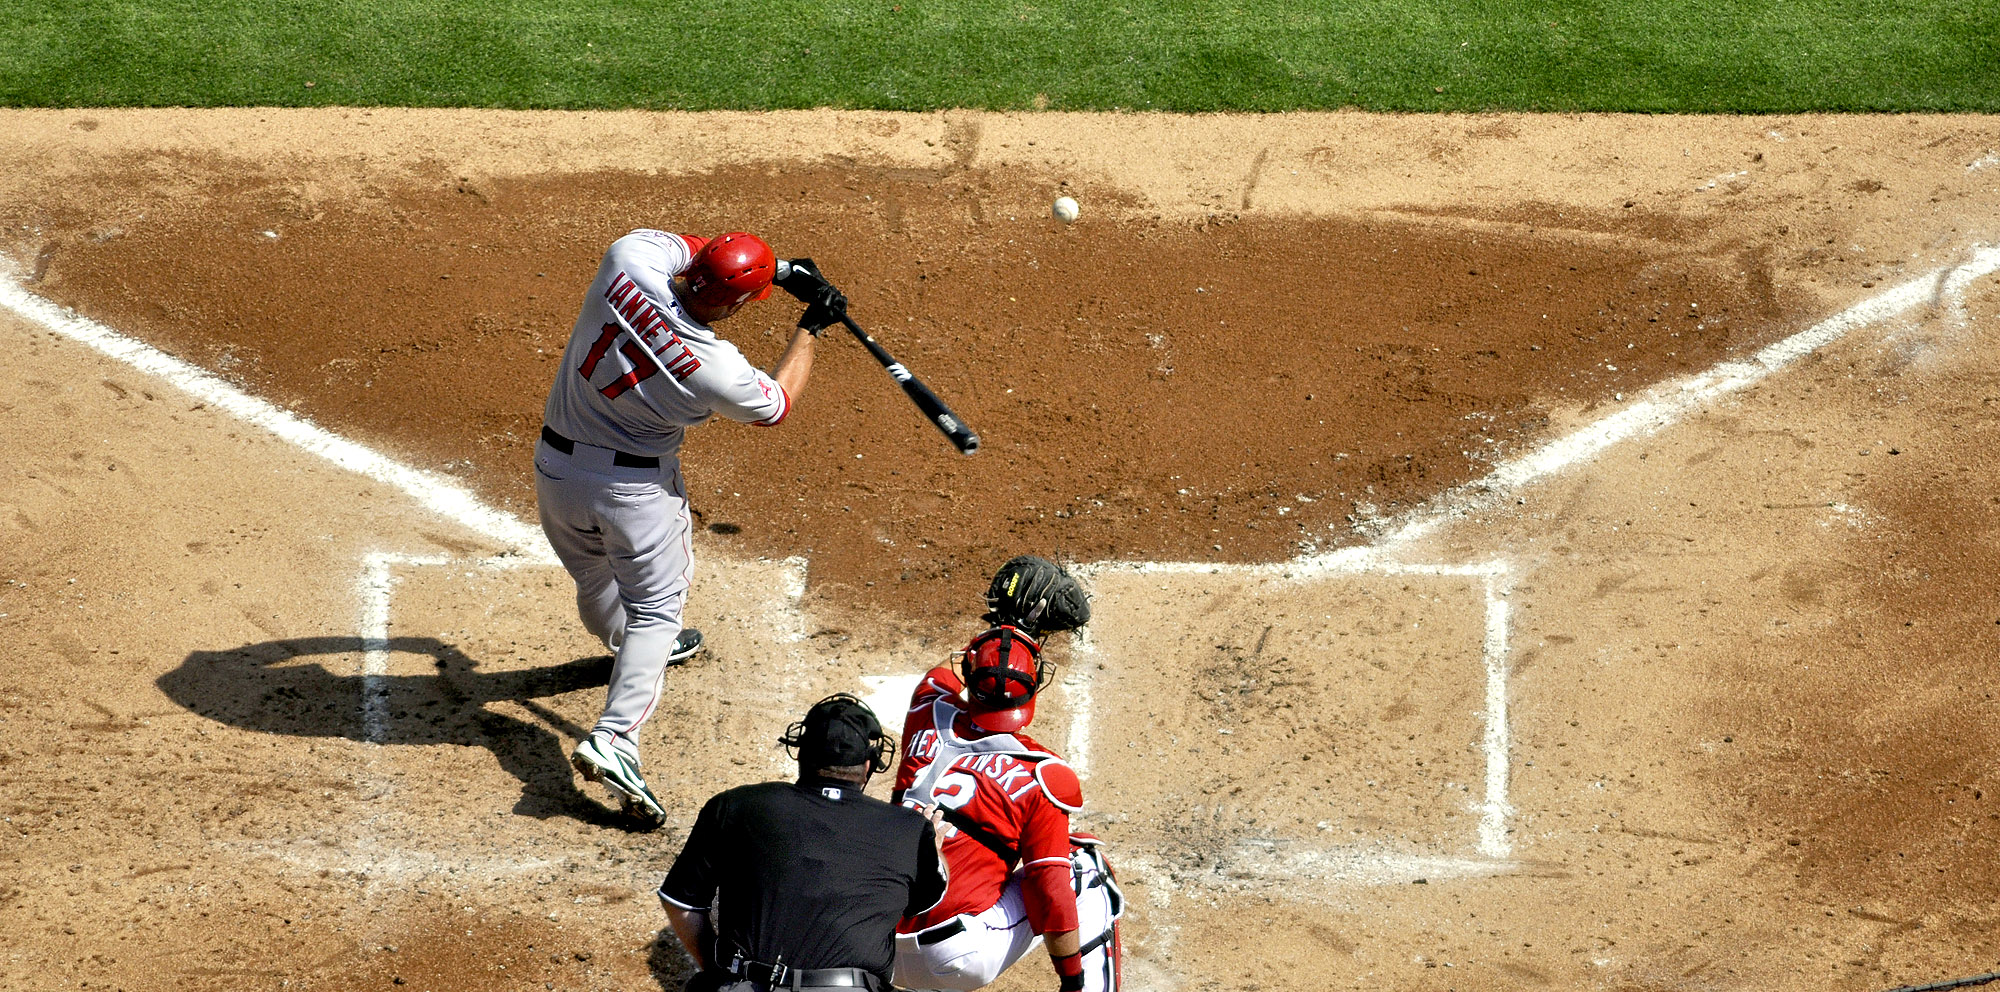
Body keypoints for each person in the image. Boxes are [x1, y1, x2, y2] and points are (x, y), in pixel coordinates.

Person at [537, 228, 846, 824]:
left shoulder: (627, 260)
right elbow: (777, 404)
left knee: (596, 580)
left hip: (555, 470)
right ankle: (616, 737)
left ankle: (629, 646)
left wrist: (776, 267)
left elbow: (687, 245)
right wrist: (811, 325)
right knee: (656, 608)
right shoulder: (715, 369)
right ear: (732, 308)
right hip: (635, 494)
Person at [891, 557, 1124, 992]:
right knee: (1082, 869)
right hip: (956, 959)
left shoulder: (926, 710)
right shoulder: (1044, 775)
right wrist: (1071, 980)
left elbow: (948, 669)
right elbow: (1049, 890)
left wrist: (1005, 625)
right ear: (1035, 685)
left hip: (877, 943)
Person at [659, 694, 949, 992]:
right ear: (867, 764)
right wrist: (933, 850)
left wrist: (720, 968)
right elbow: (923, 903)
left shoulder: (734, 805)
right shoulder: (910, 829)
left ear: (800, 754)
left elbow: (680, 901)